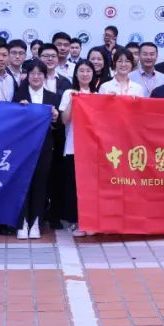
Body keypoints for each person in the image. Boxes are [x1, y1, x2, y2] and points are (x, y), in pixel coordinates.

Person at [12, 61, 61, 240]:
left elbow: (59, 126)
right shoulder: (18, 96)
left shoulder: (52, 97)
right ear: (27, 76)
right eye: (32, 73)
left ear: (45, 76)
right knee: (24, 184)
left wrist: (55, 118)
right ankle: (22, 222)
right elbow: (12, 123)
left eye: (40, 73)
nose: (36, 76)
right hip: (23, 149)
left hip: (44, 148)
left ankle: (36, 223)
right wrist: (19, 111)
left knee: (41, 184)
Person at [60, 60, 99, 236]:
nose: (85, 74)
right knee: (73, 186)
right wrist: (73, 101)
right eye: (81, 71)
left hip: (92, 149)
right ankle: (75, 221)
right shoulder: (69, 93)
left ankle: (90, 220)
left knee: (90, 187)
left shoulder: (97, 95)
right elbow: (64, 120)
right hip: (73, 147)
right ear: (76, 74)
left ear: (93, 74)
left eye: (88, 71)